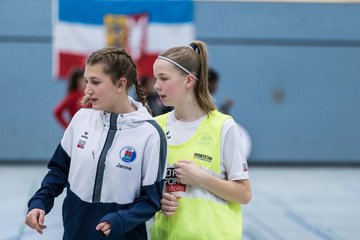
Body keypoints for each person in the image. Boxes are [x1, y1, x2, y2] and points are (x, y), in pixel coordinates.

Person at [25, 47, 167, 240]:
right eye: (86, 81)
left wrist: (122, 219)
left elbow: (151, 200)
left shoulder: (150, 134)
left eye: (96, 82)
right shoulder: (81, 119)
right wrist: (40, 202)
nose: (87, 89)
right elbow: (58, 171)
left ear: (120, 84)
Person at [151, 40, 252, 240]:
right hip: (166, 234)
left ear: (188, 81)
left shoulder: (223, 126)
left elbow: (244, 194)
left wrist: (200, 178)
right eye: (156, 78)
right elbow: (146, 187)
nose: (156, 85)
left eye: (163, 78)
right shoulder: (155, 127)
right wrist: (158, 199)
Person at [208, 67, 252, 158]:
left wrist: (225, 108)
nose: (216, 87)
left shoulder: (209, 101)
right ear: (209, 83)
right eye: (215, 83)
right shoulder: (205, 101)